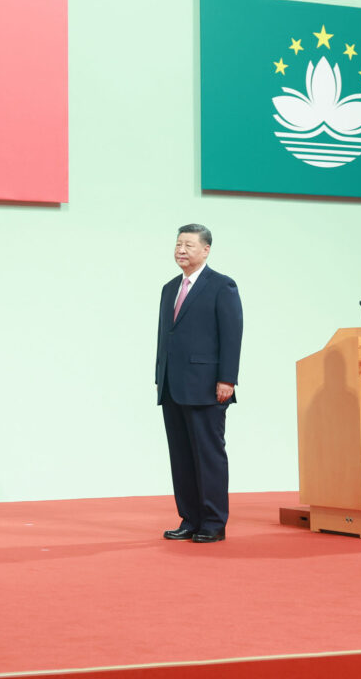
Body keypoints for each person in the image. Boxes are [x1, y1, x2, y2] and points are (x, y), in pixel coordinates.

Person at [155, 224, 243, 543]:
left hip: (207, 386)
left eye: (189, 245)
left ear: (206, 250)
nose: (181, 250)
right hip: (172, 386)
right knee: (181, 456)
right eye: (178, 244)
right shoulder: (169, 288)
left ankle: (213, 522)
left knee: (208, 455)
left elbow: (232, 335)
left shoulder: (222, 286)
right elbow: (166, 338)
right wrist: (159, 375)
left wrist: (227, 379)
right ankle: (190, 518)